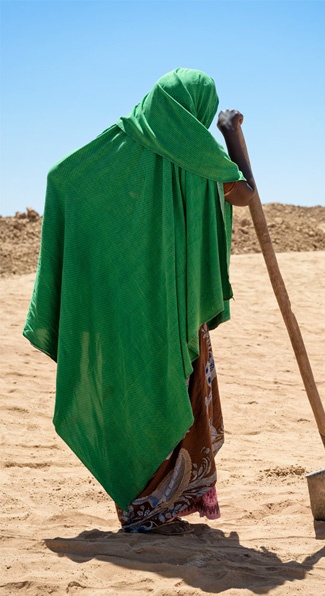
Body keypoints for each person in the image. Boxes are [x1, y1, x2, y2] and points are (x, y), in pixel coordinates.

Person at [23, 68, 255, 535]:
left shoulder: (120, 142)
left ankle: (140, 506)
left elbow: (62, 177)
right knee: (173, 388)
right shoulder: (201, 154)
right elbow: (245, 194)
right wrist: (232, 136)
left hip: (126, 309)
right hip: (177, 311)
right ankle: (157, 505)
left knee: (134, 388)